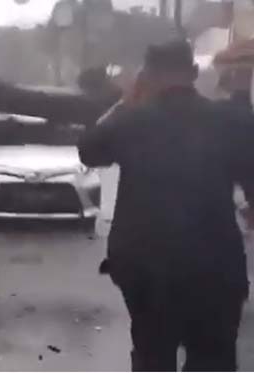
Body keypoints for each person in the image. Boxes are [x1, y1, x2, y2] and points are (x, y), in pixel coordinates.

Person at [78, 40, 254, 371]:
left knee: (152, 354)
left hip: (145, 268)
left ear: (147, 77)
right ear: (194, 72)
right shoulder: (231, 121)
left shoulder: (131, 121)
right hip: (215, 270)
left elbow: (88, 149)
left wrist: (127, 100)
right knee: (212, 359)